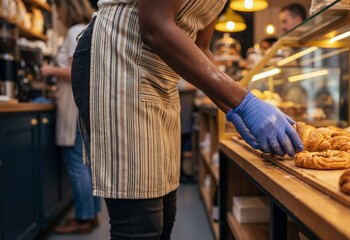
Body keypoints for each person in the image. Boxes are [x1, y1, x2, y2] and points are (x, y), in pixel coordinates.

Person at [71, 1, 303, 239]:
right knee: (140, 225)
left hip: (164, 78)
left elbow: (201, 47)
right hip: (120, 60)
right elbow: (155, 27)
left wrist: (234, 110)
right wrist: (246, 103)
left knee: (165, 216)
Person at [40, 0, 100, 234]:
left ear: (66, 8)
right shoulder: (85, 29)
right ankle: (91, 215)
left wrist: (49, 70)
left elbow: (76, 71)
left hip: (72, 108)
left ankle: (84, 217)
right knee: (84, 165)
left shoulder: (76, 31)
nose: (58, 14)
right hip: (79, 107)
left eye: (58, 9)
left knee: (76, 164)